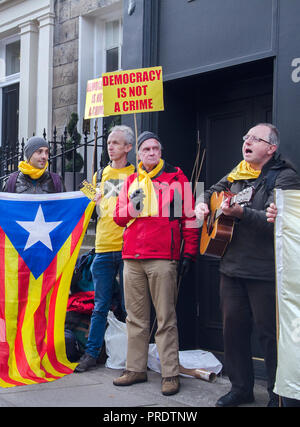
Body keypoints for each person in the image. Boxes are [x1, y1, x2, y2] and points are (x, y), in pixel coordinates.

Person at [195, 123, 300, 407]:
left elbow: (281, 227)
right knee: (234, 332)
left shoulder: (285, 178)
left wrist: (242, 213)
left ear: (271, 148)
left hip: (265, 271)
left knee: (270, 336)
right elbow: (211, 192)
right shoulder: (237, 173)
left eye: (256, 138)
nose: (247, 142)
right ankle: (240, 389)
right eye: (246, 137)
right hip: (231, 268)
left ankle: (278, 394)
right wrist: (203, 205)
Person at [112, 131, 199, 396]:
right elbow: (117, 218)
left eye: (155, 149)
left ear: (160, 152)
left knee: (165, 319)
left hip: (163, 257)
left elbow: (190, 218)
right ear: (138, 154)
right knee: (135, 318)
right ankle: (135, 368)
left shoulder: (177, 177)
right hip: (133, 257)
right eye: (146, 150)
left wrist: (189, 253)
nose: (151, 153)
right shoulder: (131, 180)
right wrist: (133, 206)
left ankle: (170, 373)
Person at [74, 125, 135, 372]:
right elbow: (85, 207)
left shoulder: (138, 175)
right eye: (109, 142)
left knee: (130, 305)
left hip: (128, 248)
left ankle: (132, 354)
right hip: (101, 248)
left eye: (116, 143)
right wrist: (91, 198)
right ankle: (91, 354)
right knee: (100, 306)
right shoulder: (99, 175)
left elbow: (139, 211)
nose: (110, 146)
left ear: (128, 148)